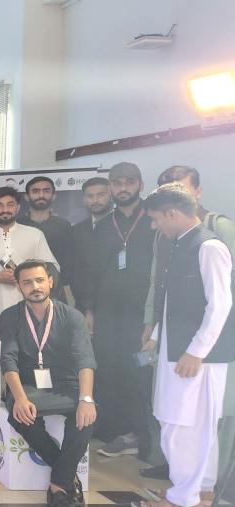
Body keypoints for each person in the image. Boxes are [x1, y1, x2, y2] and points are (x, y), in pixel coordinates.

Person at [132, 183, 233, 507]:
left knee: (183, 426)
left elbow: (220, 306)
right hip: (176, 350)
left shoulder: (209, 246)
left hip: (195, 357)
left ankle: (185, 502)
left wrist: (196, 351)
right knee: (181, 422)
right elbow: (175, 302)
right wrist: (157, 336)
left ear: (173, 213)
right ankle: (195, 492)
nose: (154, 225)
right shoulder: (181, 244)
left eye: (157, 218)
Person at [0, 260, 97, 507]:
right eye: (28, 282)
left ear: (50, 282)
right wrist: (19, 398)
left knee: (87, 416)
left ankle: (58, 482)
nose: (35, 287)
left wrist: (86, 399)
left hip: (65, 384)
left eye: (40, 280)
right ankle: (67, 477)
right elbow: (8, 360)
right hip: (29, 385)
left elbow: (85, 359)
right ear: (19, 286)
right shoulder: (10, 316)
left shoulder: (72, 316)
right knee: (20, 415)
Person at [86, 163, 157, 459]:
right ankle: (116, 431)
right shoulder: (103, 226)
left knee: (140, 372)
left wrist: (153, 319)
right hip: (107, 314)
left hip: (141, 315)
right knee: (110, 369)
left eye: (129, 182)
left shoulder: (153, 221)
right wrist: (89, 309)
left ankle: (141, 434)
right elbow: (91, 272)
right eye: (117, 183)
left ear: (140, 185)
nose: (123, 188)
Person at [0, 187, 57, 339]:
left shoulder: (34, 235)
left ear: (18, 207)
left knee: (22, 355)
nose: (5, 209)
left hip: (26, 308)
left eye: (10, 204)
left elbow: (51, 268)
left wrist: (28, 276)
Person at [18, 176, 74, 301]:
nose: (41, 195)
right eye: (35, 191)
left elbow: (69, 260)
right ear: (27, 196)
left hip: (57, 291)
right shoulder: (18, 225)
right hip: (23, 291)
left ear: (54, 196)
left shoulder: (63, 225)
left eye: (46, 191)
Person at [70, 177, 113, 313]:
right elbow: (76, 273)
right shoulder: (77, 230)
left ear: (111, 194)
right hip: (84, 306)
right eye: (90, 196)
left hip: (119, 307)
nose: (95, 200)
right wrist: (87, 308)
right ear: (84, 199)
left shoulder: (123, 226)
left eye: (101, 195)